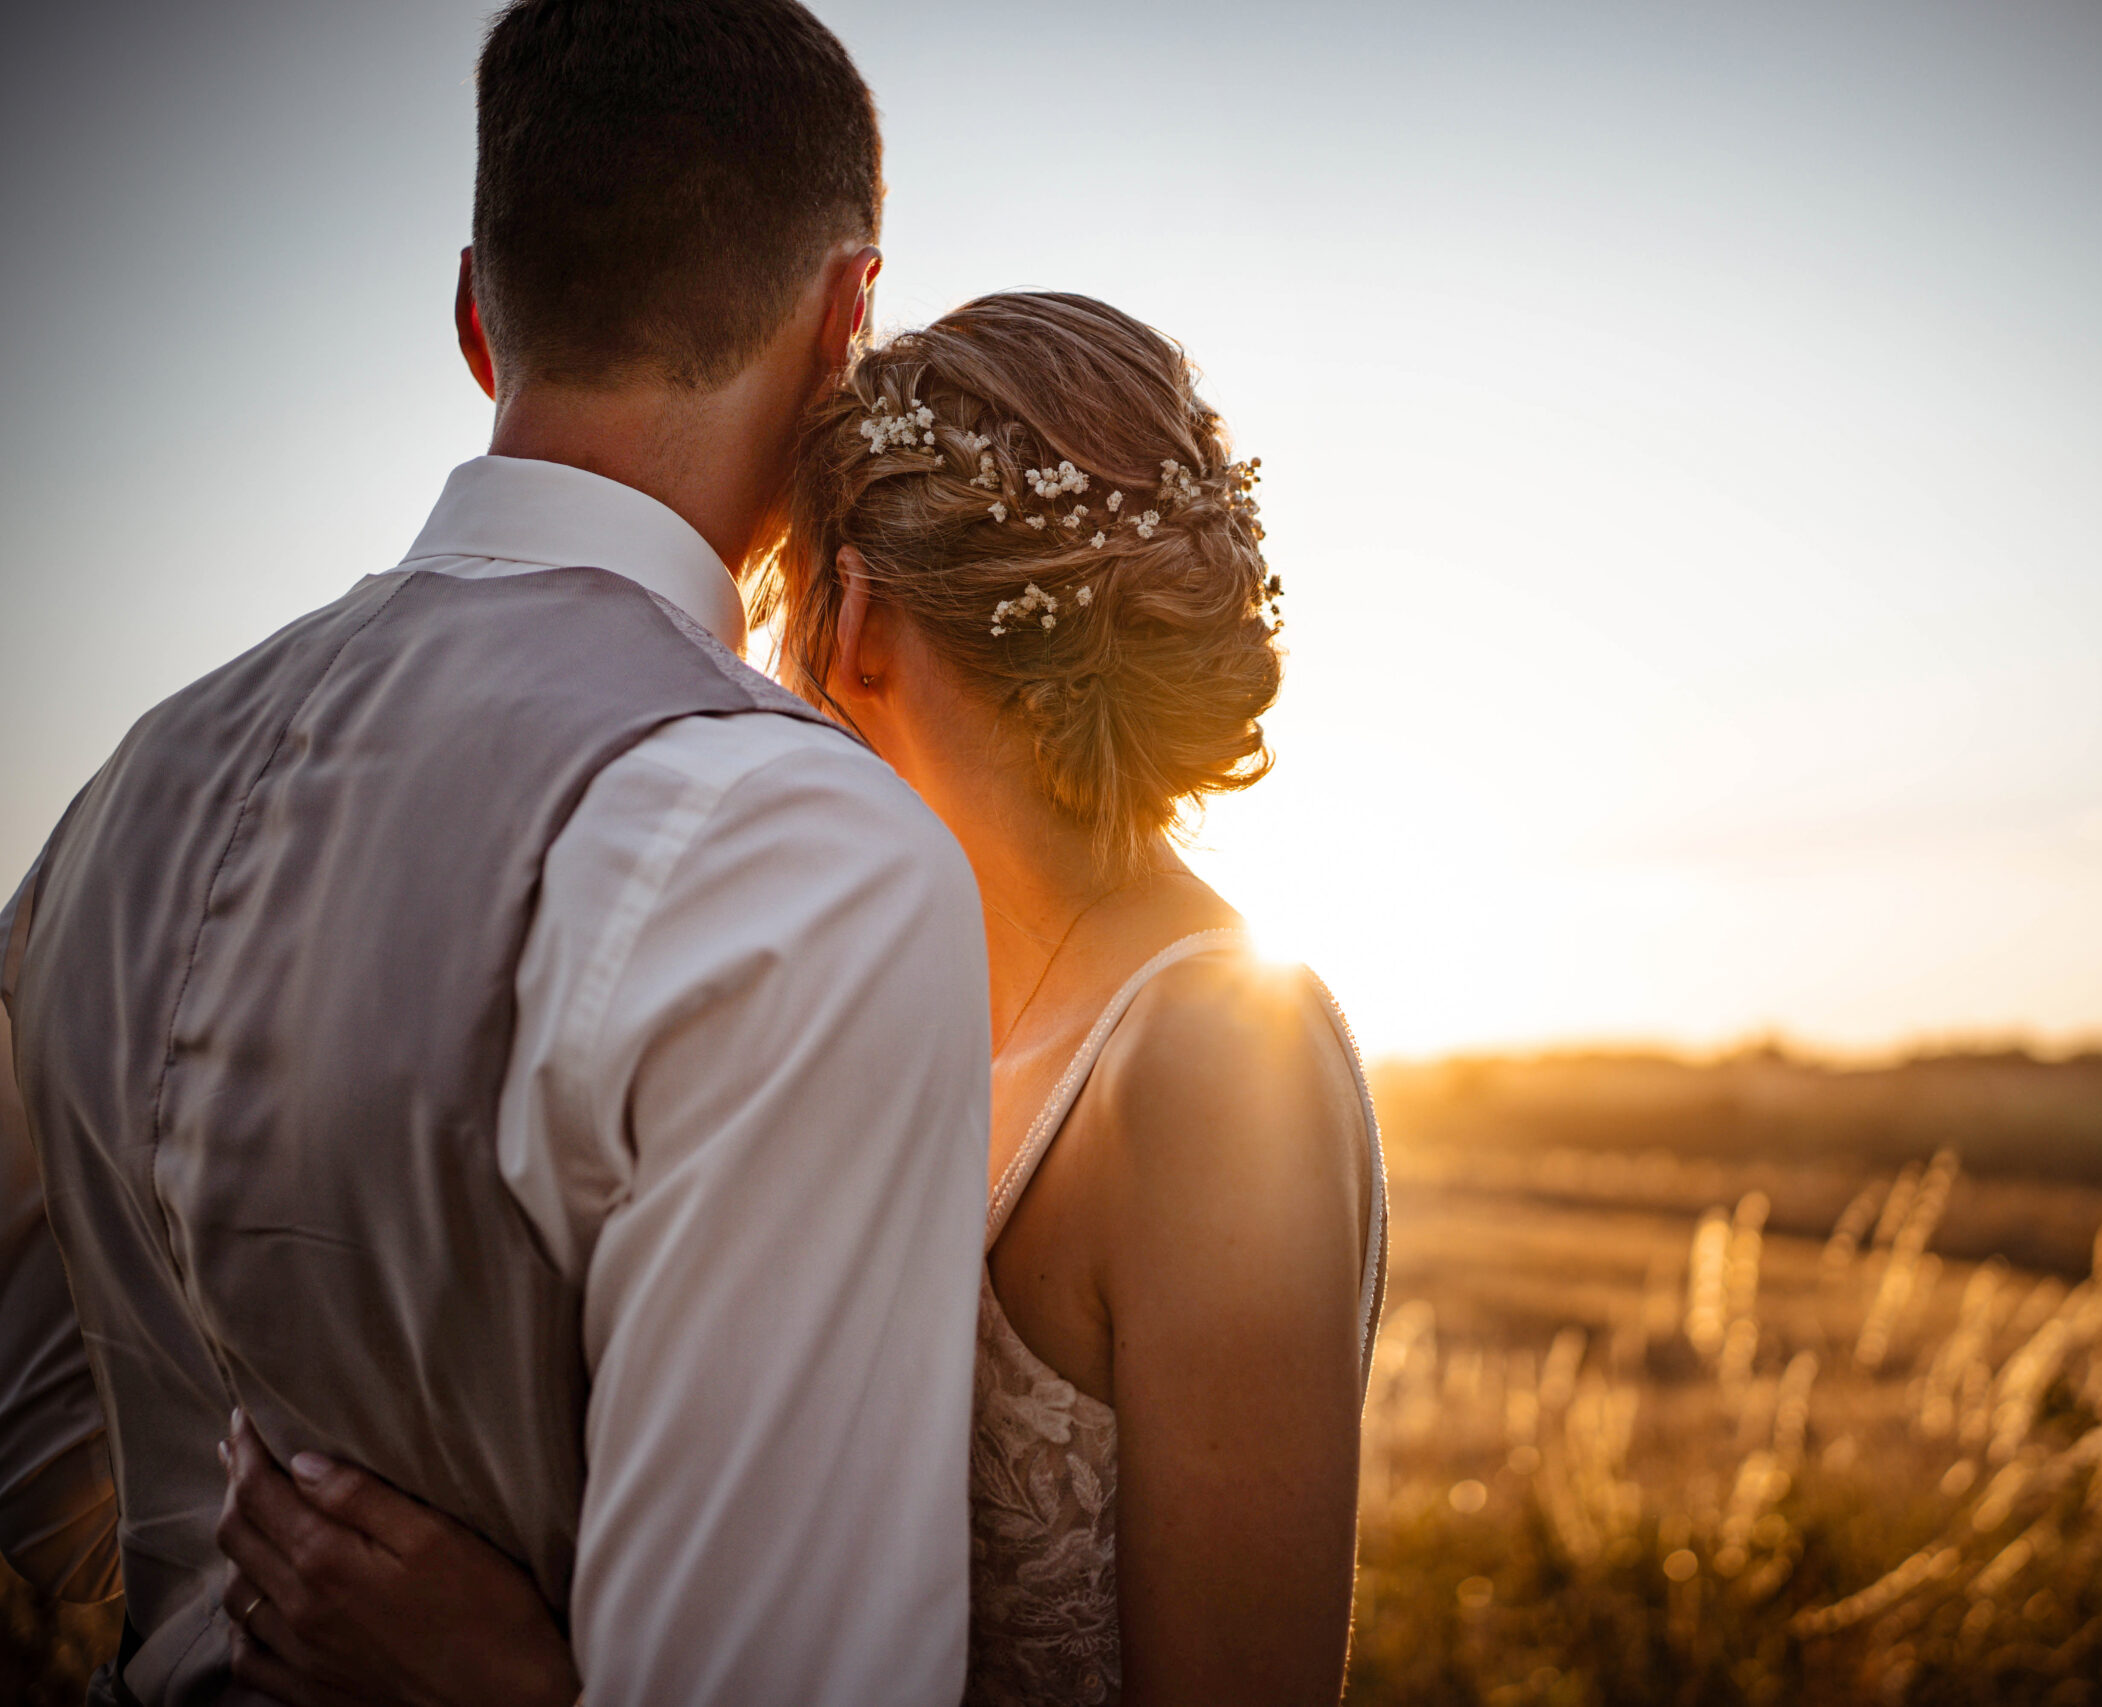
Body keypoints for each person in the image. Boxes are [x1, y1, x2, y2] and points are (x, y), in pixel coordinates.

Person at [0, 3, 993, 1702]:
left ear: (477, 316)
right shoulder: (800, 855)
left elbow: (36, 1476)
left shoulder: (119, 792)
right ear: (847, 322)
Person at [210, 291, 1391, 1706]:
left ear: (859, 625)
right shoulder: (908, 994)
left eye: (776, 606)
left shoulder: (1212, 1063)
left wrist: (503, 1685)